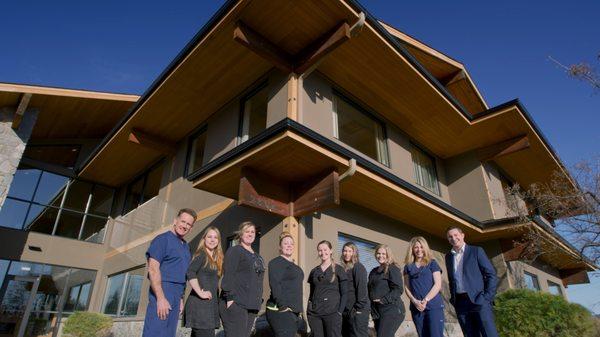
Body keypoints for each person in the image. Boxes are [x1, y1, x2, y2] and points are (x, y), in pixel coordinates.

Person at [142, 208, 196, 337]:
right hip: (163, 291)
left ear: (191, 228)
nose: (185, 226)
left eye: (189, 224)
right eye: (183, 221)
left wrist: (181, 299)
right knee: (155, 332)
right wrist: (160, 298)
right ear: (175, 221)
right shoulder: (162, 240)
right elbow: (153, 269)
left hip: (177, 296)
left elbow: (183, 274)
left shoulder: (186, 246)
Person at [445, 226, 499, 337]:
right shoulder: (448, 257)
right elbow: (452, 280)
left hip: (479, 300)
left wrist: (487, 298)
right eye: (450, 237)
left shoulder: (476, 251)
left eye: (456, 235)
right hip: (461, 303)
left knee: (489, 334)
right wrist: (454, 299)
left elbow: (491, 275)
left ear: (462, 235)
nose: (453, 238)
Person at [219, 221, 265, 337]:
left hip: (252, 305)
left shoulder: (257, 256)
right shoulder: (235, 251)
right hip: (237, 303)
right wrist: (230, 299)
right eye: (247, 231)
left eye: (252, 232)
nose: (250, 234)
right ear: (240, 234)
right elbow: (228, 275)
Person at [184, 226, 224, 337]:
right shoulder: (202, 254)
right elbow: (190, 272)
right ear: (204, 239)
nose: (212, 240)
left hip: (210, 306)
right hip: (200, 307)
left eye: (215, 237)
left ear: (219, 240)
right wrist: (200, 292)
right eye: (209, 237)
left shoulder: (217, 258)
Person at [403, 237, 444, 337]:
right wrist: (414, 301)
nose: (419, 249)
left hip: (433, 306)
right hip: (416, 308)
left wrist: (426, 300)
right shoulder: (408, 266)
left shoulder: (432, 263)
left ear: (425, 247)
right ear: (412, 249)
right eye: (416, 247)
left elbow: (437, 285)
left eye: (421, 246)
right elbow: (407, 287)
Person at [266, 232, 305, 337]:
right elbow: (275, 285)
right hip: (280, 311)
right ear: (280, 246)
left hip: (294, 312)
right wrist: (283, 307)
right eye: (285, 243)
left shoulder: (294, 266)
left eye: (291, 244)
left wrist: (299, 311)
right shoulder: (275, 263)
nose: (289, 245)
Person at [307, 240, 348, 337]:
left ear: (331, 251)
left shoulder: (339, 269)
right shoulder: (314, 271)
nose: (323, 252)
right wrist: (309, 309)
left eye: (325, 249)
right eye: (320, 250)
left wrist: (339, 312)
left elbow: (345, 293)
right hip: (315, 314)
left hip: (333, 313)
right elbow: (312, 293)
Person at [368, 244, 404, 337]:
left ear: (388, 255)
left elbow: (398, 289)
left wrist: (383, 300)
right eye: (378, 253)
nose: (380, 256)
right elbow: (370, 290)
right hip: (377, 311)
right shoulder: (373, 271)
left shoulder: (392, 268)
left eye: (384, 253)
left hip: (391, 309)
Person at [340, 242, 370, 337]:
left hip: (357, 311)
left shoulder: (358, 267)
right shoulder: (344, 269)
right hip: (347, 310)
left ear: (354, 253)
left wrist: (358, 309)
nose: (347, 253)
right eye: (345, 251)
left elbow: (362, 289)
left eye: (350, 251)